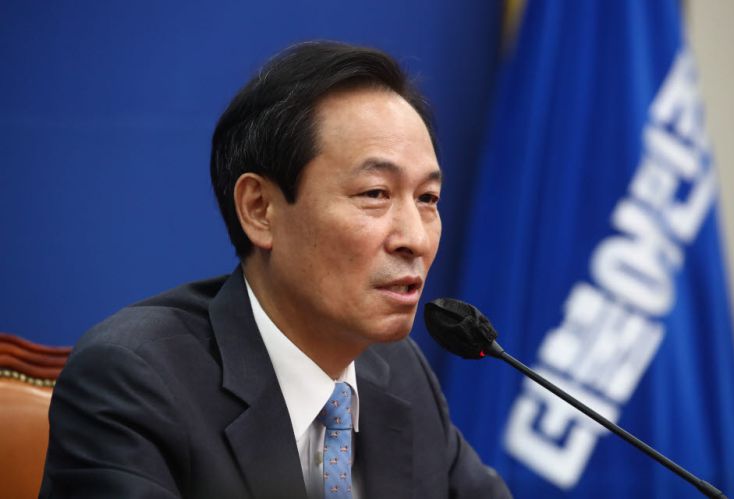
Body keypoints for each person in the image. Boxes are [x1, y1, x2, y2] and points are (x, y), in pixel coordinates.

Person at [40, 41, 511, 499]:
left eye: (427, 198)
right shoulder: (136, 380)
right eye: (375, 193)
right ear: (260, 209)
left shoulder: (400, 375)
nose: (416, 239)